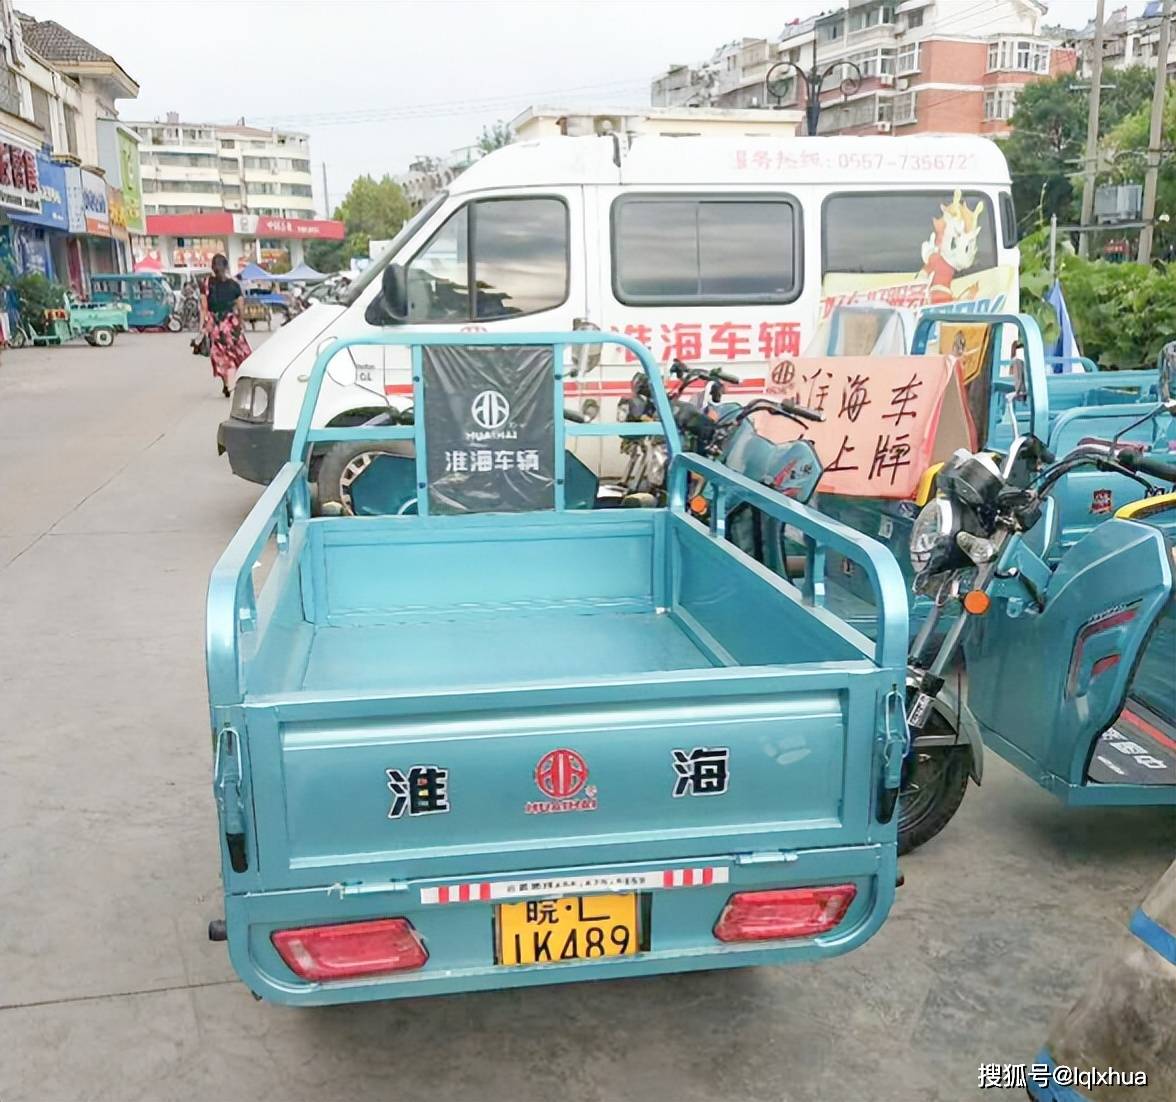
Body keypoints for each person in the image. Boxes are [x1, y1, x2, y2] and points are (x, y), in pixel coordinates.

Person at [200, 253, 251, 397]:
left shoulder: (206, 283)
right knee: (239, 353)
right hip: (231, 324)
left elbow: (204, 308)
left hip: (216, 325)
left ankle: (227, 383)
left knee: (220, 356)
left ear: (212, 267)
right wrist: (240, 323)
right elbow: (241, 308)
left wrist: (202, 328)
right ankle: (235, 382)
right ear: (226, 267)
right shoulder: (234, 285)